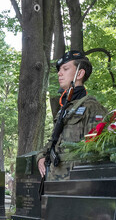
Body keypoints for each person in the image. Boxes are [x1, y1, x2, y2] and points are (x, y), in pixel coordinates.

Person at [37, 50, 107, 180]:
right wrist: (41, 156)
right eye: (59, 70)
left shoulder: (91, 107)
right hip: (55, 180)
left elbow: (96, 151)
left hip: (75, 182)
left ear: (80, 73)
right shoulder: (65, 108)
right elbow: (55, 141)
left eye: (65, 69)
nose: (59, 73)